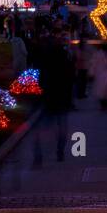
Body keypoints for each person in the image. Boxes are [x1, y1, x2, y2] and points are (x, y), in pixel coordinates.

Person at [34, 34, 75, 163]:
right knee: (62, 127)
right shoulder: (66, 61)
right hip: (62, 99)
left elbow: (40, 82)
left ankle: (39, 155)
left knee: (42, 128)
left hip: (48, 98)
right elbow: (70, 81)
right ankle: (60, 152)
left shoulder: (45, 62)